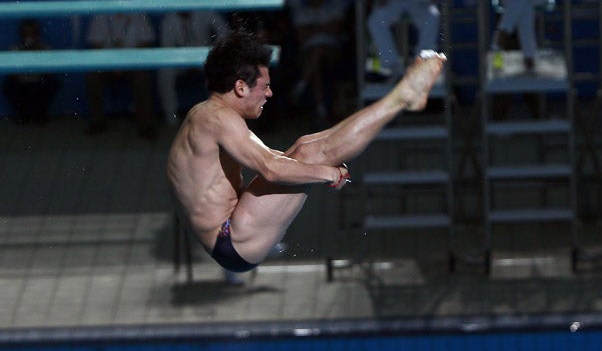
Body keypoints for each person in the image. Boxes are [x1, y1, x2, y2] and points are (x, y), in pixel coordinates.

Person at [167, 32, 445, 278]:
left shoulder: (205, 114)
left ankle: (403, 96)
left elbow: (269, 162)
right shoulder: (219, 119)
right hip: (233, 240)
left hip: (228, 233)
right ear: (241, 87)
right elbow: (272, 169)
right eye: (264, 86)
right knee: (312, 154)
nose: (270, 93)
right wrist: (327, 173)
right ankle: (403, 97)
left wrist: (316, 167)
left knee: (304, 146)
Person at [158, 0, 230, 126]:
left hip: (206, 58)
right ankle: (171, 118)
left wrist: (214, 51)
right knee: (164, 72)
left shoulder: (203, 11)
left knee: (220, 70)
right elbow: (167, 50)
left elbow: (223, 30)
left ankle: (216, 118)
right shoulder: (169, 20)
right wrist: (184, 59)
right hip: (179, 61)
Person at [84, 12, 157, 139]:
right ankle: (97, 122)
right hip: (107, 63)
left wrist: (128, 61)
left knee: (142, 79)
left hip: (133, 63)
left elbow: (147, 42)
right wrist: (111, 63)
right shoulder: (101, 16)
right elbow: (95, 45)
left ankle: (145, 126)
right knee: (93, 77)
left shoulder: (139, 15)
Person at [291, 0, 347, 122]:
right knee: (316, 63)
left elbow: (337, 29)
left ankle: (302, 85)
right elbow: (301, 36)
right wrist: (325, 27)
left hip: (333, 51)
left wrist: (312, 29)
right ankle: (320, 108)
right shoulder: (301, 12)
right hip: (307, 52)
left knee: (320, 52)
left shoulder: (333, 8)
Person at [2, 19, 60, 123]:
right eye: (25, 34)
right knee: (9, 85)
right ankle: (23, 114)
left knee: (52, 83)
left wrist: (36, 50)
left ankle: (40, 114)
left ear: (37, 34)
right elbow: (12, 74)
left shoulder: (46, 49)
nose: (29, 37)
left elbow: (50, 72)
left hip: (39, 84)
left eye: (32, 34)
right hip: (21, 84)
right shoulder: (14, 49)